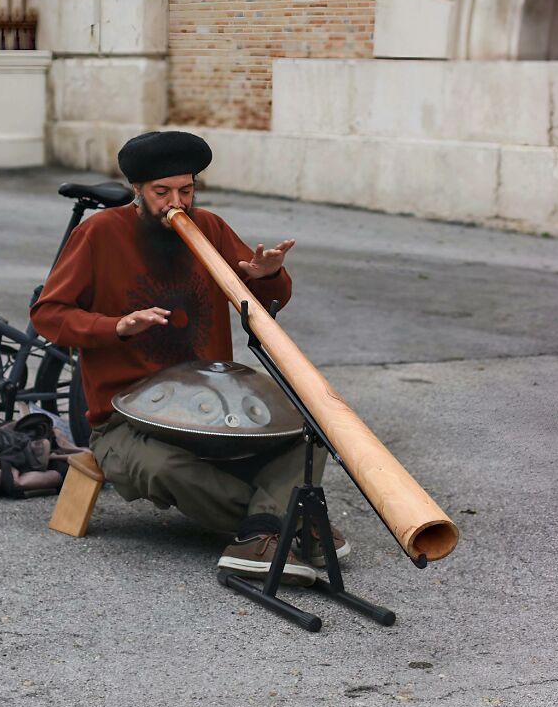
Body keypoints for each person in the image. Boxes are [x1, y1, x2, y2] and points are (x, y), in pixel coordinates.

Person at [31, 130, 348, 585]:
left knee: (309, 432)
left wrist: (269, 276)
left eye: (186, 189)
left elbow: (259, 300)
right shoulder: (99, 233)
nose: (175, 202)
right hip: (123, 421)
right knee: (166, 467)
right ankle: (288, 523)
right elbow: (48, 313)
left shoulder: (211, 227)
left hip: (214, 413)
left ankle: (262, 532)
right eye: (161, 192)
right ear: (137, 191)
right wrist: (115, 326)